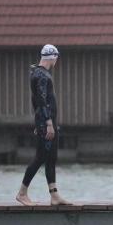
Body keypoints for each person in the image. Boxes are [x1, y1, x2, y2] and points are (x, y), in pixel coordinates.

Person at [17, 45, 69, 206]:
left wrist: (40, 121)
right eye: (57, 58)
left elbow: (36, 101)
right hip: (47, 123)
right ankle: (22, 193)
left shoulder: (39, 74)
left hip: (45, 121)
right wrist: (47, 123)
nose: (57, 61)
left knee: (51, 158)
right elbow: (41, 101)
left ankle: (54, 195)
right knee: (40, 157)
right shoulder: (42, 76)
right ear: (52, 57)